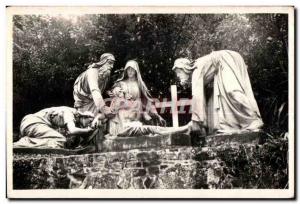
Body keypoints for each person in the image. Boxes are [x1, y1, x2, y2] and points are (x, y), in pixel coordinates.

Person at [172, 50, 263, 135]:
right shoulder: (198, 68)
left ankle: (254, 120)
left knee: (232, 91)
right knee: (222, 98)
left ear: (185, 68)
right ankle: (232, 126)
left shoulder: (196, 70)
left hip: (226, 60)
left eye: (179, 72)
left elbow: (197, 96)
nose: (178, 75)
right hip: (222, 65)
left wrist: (196, 121)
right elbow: (204, 96)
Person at [106, 60, 190, 138]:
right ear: (125, 70)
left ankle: (180, 130)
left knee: (149, 129)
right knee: (150, 130)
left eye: (132, 69)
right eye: (128, 69)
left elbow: (148, 101)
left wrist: (156, 114)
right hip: (125, 119)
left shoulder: (139, 84)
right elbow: (114, 94)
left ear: (136, 71)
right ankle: (181, 129)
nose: (130, 72)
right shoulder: (121, 83)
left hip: (136, 115)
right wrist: (119, 92)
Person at [13, 106, 96, 149]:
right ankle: (25, 142)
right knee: (60, 140)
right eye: (89, 122)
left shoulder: (74, 118)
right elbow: (73, 130)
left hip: (31, 123)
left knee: (56, 140)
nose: (88, 125)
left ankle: (30, 140)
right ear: (84, 117)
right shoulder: (69, 113)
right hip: (33, 123)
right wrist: (87, 130)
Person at [73, 53, 115, 120]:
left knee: (99, 121)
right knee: (88, 120)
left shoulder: (106, 75)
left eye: (113, 64)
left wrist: (108, 92)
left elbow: (103, 89)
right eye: (110, 63)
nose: (112, 66)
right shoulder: (92, 72)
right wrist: (104, 109)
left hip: (95, 102)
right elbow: (94, 90)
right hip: (84, 102)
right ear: (102, 62)